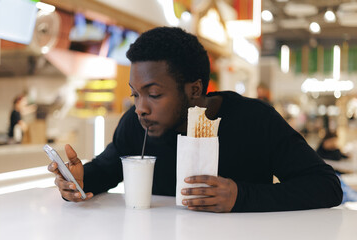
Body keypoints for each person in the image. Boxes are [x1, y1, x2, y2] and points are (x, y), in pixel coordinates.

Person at [48, 27, 342, 212]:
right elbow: (106, 169)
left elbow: (326, 186)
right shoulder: (137, 124)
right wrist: (78, 180)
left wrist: (242, 196)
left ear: (195, 90)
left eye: (154, 94)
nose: (141, 108)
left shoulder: (255, 119)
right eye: (135, 94)